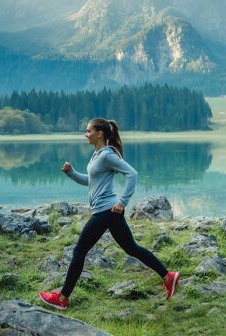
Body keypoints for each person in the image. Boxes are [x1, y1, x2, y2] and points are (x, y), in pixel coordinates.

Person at [39, 118, 180, 310]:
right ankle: (168, 276)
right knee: (131, 247)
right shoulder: (97, 155)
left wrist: (123, 201)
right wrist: (71, 173)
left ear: (99, 133)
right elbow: (91, 180)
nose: (85, 134)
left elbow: (132, 174)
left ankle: (62, 298)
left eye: (88, 131)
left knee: (79, 251)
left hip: (106, 210)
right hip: (109, 211)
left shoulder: (106, 155)